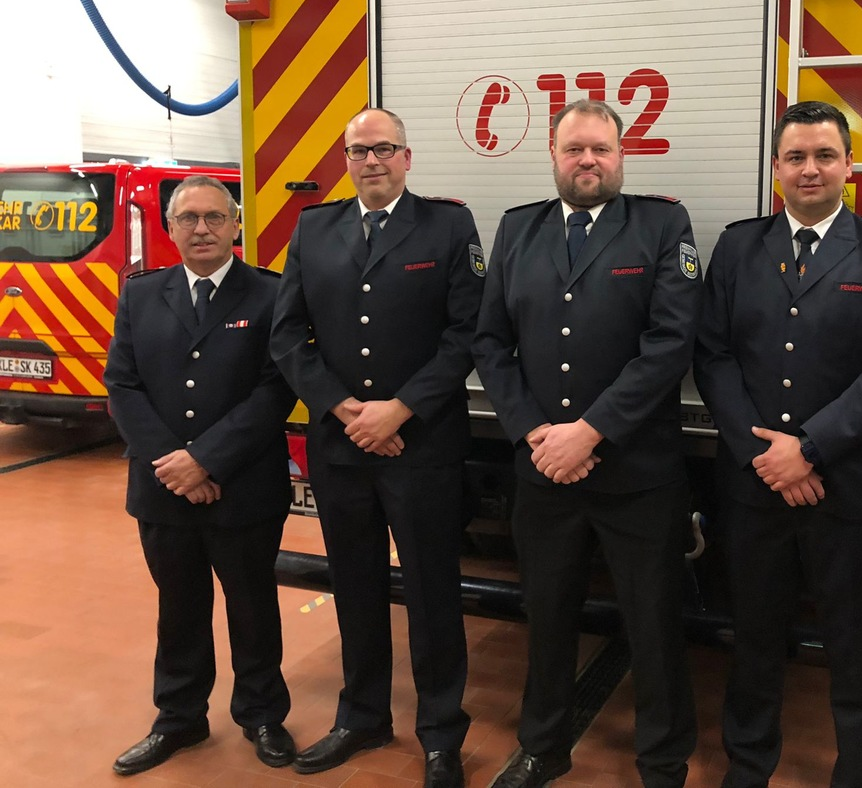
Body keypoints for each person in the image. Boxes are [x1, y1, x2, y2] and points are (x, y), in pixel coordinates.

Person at [473, 98, 701, 788]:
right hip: (545, 469)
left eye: (601, 148)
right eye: (574, 148)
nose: (588, 160)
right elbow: (490, 341)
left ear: (622, 154)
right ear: (553, 152)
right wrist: (533, 430)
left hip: (637, 472)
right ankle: (543, 747)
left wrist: (591, 431)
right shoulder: (518, 229)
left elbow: (670, 343)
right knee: (546, 617)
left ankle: (662, 760)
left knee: (654, 623)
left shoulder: (662, 225)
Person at [693, 100, 862, 788]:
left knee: (854, 645)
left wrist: (811, 448)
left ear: (850, 165)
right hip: (756, 486)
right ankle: (748, 765)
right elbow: (713, 355)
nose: (810, 169)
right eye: (796, 156)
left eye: (824, 155)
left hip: (847, 490)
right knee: (753, 637)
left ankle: (861, 775)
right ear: (776, 168)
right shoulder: (738, 246)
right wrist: (768, 457)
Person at [270, 108, 484, 787]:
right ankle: (362, 716)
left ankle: (441, 733)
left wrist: (399, 410)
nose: (372, 161)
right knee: (355, 586)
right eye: (359, 151)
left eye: (384, 148)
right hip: (341, 445)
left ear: (407, 157)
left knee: (431, 592)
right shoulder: (314, 228)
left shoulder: (448, 226)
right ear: (346, 160)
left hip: (422, 444)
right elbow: (287, 334)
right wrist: (342, 407)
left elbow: (467, 332)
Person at [104, 176, 297, 776]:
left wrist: (207, 460)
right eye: (188, 218)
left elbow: (277, 389)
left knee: (252, 605)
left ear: (236, 224)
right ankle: (179, 717)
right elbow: (122, 385)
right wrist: (176, 464)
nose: (202, 229)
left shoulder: (271, 294)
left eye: (215, 217)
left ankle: (262, 714)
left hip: (245, 488)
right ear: (170, 228)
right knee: (178, 607)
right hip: (163, 488)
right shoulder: (140, 295)